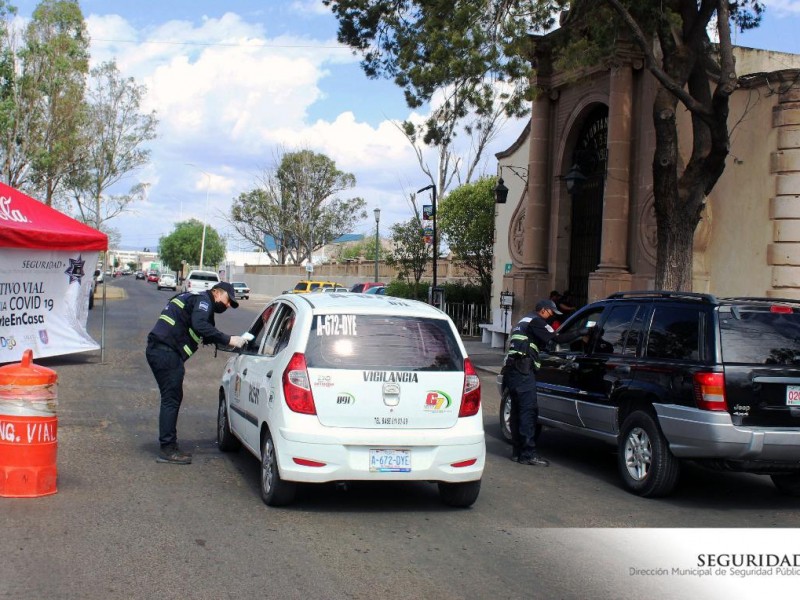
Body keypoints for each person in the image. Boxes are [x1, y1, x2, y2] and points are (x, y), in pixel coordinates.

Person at [145, 281, 247, 464]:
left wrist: (233, 342)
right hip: (165, 352)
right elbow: (200, 325)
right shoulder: (203, 301)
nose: (228, 305)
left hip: (162, 351)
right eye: (227, 300)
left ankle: (169, 445)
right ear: (216, 292)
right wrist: (229, 339)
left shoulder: (196, 300)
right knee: (171, 398)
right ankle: (167, 449)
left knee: (172, 397)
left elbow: (207, 333)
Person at [503, 299, 561, 467]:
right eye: (551, 313)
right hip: (522, 371)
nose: (551, 317)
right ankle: (528, 454)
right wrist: (581, 332)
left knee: (516, 411)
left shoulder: (524, 320)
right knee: (528, 412)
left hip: (512, 370)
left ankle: (517, 452)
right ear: (543, 310)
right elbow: (557, 338)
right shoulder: (537, 321)